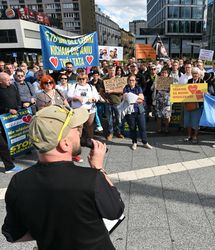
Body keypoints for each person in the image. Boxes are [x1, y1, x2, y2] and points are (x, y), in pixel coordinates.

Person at [2, 105, 125, 249]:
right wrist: (98, 168)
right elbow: (116, 211)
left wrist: (47, 233)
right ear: (65, 144)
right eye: (76, 130)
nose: (80, 133)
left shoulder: (18, 182)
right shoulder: (91, 179)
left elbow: (11, 234)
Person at [68, 73, 99, 153]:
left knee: (90, 127)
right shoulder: (74, 86)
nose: (81, 80)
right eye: (80, 79)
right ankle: (77, 144)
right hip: (78, 110)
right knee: (79, 127)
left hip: (90, 110)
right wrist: (76, 97)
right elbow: (68, 95)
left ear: (87, 79)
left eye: (83, 79)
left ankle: (91, 142)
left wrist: (93, 99)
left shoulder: (91, 87)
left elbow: (97, 97)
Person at [0, 72, 23, 173]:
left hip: (13, 117)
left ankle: (10, 157)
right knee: (3, 144)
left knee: (9, 137)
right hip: (3, 117)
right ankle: (9, 166)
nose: (10, 81)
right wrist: (7, 110)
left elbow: (18, 97)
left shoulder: (13, 87)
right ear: (1, 81)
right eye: (7, 80)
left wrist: (18, 107)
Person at [123, 75, 152, 150]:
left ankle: (145, 142)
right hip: (130, 111)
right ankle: (134, 142)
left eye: (133, 80)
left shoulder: (138, 88)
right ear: (128, 81)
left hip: (139, 110)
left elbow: (141, 99)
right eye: (130, 80)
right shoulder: (126, 88)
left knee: (142, 127)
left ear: (135, 81)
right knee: (132, 128)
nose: (131, 82)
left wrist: (132, 99)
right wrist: (136, 98)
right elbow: (125, 98)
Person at [184, 67, 205, 143]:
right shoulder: (189, 81)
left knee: (196, 122)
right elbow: (185, 91)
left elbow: (205, 94)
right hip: (188, 104)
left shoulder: (202, 82)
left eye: (196, 73)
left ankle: (195, 136)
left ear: (199, 74)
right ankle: (189, 136)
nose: (195, 75)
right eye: (193, 73)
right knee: (188, 121)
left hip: (198, 105)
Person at [152, 68, 171, 133]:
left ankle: (166, 129)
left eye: (165, 73)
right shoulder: (157, 80)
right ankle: (159, 129)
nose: (164, 74)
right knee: (158, 116)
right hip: (158, 100)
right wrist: (155, 85)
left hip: (167, 101)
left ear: (168, 74)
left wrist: (171, 88)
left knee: (167, 116)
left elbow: (173, 91)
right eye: (163, 72)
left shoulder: (170, 81)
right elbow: (151, 88)